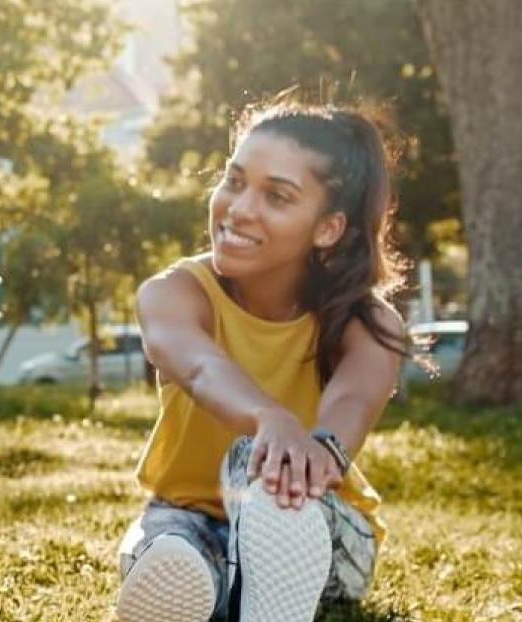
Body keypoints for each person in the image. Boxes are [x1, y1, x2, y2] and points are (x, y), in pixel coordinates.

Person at [113, 102, 410, 622]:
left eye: (276, 196)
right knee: (171, 550)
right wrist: (268, 417)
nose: (238, 208)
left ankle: (253, 583)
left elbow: (349, 408)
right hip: (189, 513)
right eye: (234, 180)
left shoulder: (370, 326)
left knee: (264, 475)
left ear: (328, 228)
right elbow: (200, 366)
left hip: (311, 512)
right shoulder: (175, 293)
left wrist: (310, 452)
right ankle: (212, 583)